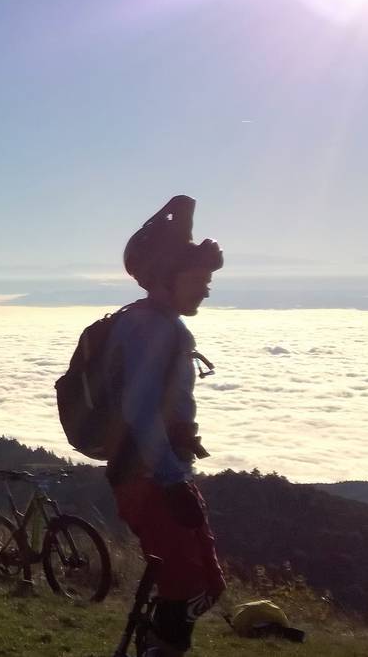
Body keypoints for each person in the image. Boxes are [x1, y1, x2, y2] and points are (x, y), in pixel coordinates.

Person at [108, 195, 226, 657]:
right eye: (197, 279)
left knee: (200, 584)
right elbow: (139, 409)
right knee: (190, 584)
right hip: (150, 477)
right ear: (162, 280)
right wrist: (173, 480)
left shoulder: (153, 323)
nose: (205, 289)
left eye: (207, 279)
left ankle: (157, 640)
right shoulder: (153, 329)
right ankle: (160, 646)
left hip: (155, 471)